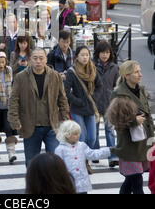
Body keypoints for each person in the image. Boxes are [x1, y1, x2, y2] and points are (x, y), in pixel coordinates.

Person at [8, 47, 70, 167]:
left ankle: (51, 185)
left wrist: (65, 119)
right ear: (30, 60)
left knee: (54, 160)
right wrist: (14, 120)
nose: (38, 61)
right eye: (35, 58)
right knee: (32, 162)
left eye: (41, 58)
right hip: (31, 126)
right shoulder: (21, 77)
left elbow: (62, 99)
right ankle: (34, 185)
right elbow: (13, 100)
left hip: (51, 125)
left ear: (46, 59)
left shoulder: (54, 76)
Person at [105, 60, 155, 194]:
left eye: (140, 71)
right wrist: (134, 121)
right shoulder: (119, 93)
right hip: (129, 144)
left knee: (130, 180)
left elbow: (148, 115)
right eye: (136, 72)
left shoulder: (141, 89)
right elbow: (115, 120)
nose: (141, 74)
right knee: (137, 181)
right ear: (126, 75)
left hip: (144, 142)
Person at [64, 45, 102, 173]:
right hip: (78, 108)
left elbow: (99, 86)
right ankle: (81, 162)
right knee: (82, 137)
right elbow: (66, 91)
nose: (85, 57)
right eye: (82, 55)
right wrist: (78, 101)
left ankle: (85, 159)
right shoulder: (72, 72)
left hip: (90, 107)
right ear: (77, 57)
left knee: (92, 138)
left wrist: (94, 98)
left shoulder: (93, 69)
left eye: (87, 55)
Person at [55, 120, 112, 194]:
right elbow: (57, 167)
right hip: (69, 184)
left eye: (79, 133)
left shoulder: (81, 146)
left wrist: (108, 150)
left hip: (82, 184)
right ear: (67, 135)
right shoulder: (60, 149)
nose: (78, 135)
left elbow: (93, 154)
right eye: (75, 134)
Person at [92, 41, 119, 168]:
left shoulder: (114, 68)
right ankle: (96, 154)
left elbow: (117, 85)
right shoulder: (91, 66)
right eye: (103, 52)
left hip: (109, 102)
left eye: (107, 52)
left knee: (110, 130)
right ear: (98, 53)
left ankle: (112, 156)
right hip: (95, 102)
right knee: (95, 131)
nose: (105, 55)